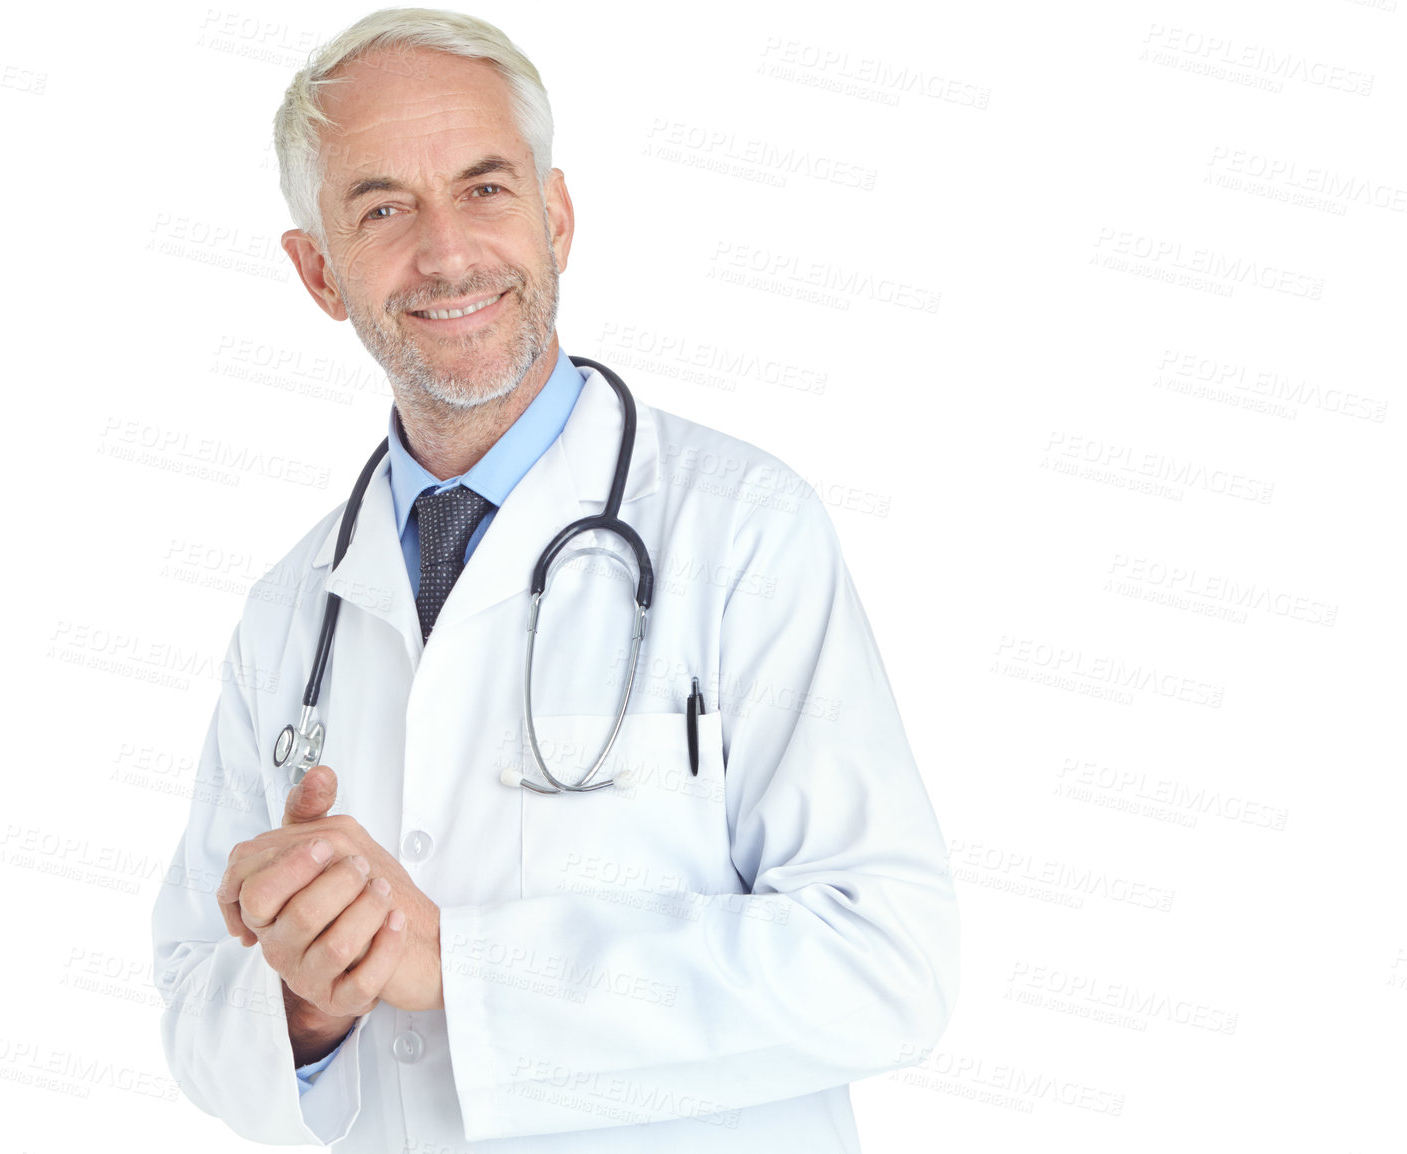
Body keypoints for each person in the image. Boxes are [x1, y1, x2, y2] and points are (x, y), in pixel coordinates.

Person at [151, 8, 959, 1150]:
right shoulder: (290, 610)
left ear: (557, 216)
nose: (446, 252)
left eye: (484, 188)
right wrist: (304, 1002)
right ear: (318, 271)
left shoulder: (743, 533)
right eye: (382, 208)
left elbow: (887, 961)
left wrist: (468, 973)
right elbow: (191, 997)